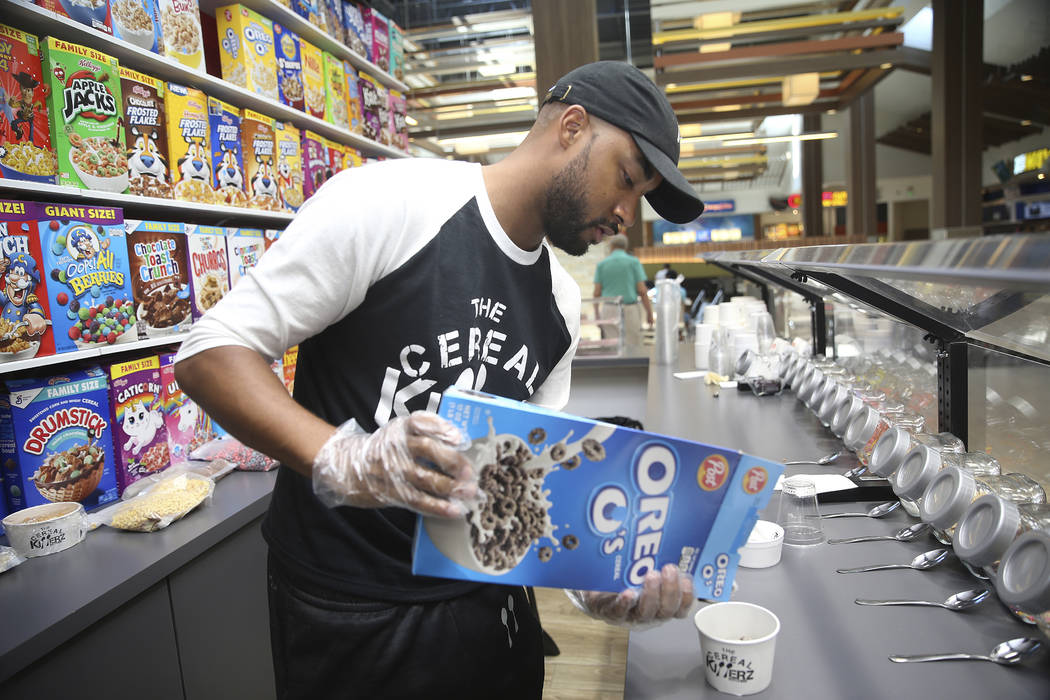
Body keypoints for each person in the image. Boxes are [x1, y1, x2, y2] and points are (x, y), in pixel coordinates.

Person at [174, 60, 704, 699]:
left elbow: (521, 488)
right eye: (625, 179)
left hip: (487, 613)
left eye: (639, 197)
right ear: (571, 126)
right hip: (347, 611)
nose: (626, 213)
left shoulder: (559, 306)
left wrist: (591, 580)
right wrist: (347, 459)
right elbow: (211, 350)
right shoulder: (390, 203)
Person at [593, 233, 653, 350]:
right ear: (625, 247)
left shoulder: (602, 265)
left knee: (612, 347)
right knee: (633, 346)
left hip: (609, 309)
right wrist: (649, 313)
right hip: (630, 308)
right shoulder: (633, 262)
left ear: (611, 247)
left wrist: (597, 314)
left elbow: (596, 293)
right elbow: (642, 290)